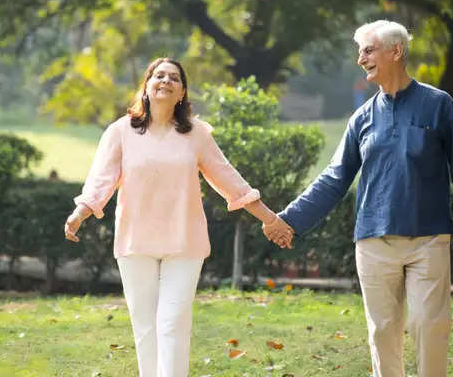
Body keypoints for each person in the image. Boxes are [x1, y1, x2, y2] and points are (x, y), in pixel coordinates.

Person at [263, 20, 453, 377]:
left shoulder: (438, 105)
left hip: (428, 237)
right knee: (382, 331)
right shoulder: (361, 118)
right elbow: (334, 178)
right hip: (373, 241)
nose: (361, 59)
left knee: (429, 325)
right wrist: (290, 219)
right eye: (360, 52)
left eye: (368, 50)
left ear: (396, 51)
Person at [64, 57, 293, 377]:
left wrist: (269, 218)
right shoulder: (121, 131)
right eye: (159, 75)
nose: (165, 81)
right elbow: (101, 181)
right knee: (145, 327)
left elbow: (229, 180)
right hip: (135, 242)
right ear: (146, 85)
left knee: (172, 323)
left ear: (182, 92)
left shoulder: (196, 134)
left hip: (185, 242)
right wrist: (79, 214)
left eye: (173, 78)